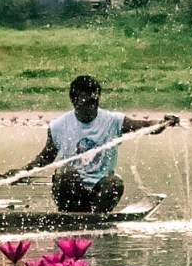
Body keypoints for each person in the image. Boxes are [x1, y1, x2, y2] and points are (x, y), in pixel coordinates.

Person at [20, 75, 179, 213]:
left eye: (95, 100)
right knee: (65, 174)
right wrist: (20, 173)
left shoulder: (114, 121)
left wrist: (162, 123)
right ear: (75, 101)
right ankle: (70, 215)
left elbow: (145, 126)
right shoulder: (58, 126)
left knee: (115, 182)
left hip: (100, 192)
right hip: (71, 193)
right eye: (88, 101)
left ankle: (95, 218)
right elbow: (45, 158)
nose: (93, 105)